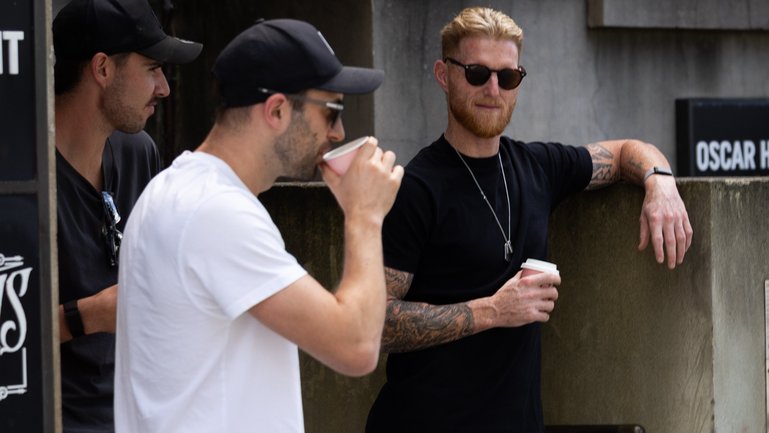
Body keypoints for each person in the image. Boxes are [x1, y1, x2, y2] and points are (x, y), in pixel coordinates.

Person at [365, 7, 693, 433]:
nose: (494, 89)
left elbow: (627, 150)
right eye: (478, 73)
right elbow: (376, 324)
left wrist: (660, 183)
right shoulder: (416, 187)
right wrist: (493, 310)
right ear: (444, 76)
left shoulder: (537, 167)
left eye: (509, 77)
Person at [113, 18, 403, 433]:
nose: (339, 132)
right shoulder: (216, 211)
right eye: (332, 111)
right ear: (278, 110)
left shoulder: (180, 190)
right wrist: (365, 216)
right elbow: (355, 345)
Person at [52, 0, 202, 431]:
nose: (165, 88)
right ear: (102, 69)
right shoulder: (22, 178)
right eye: (153, 68)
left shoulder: (139, 153)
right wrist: (91, 314)